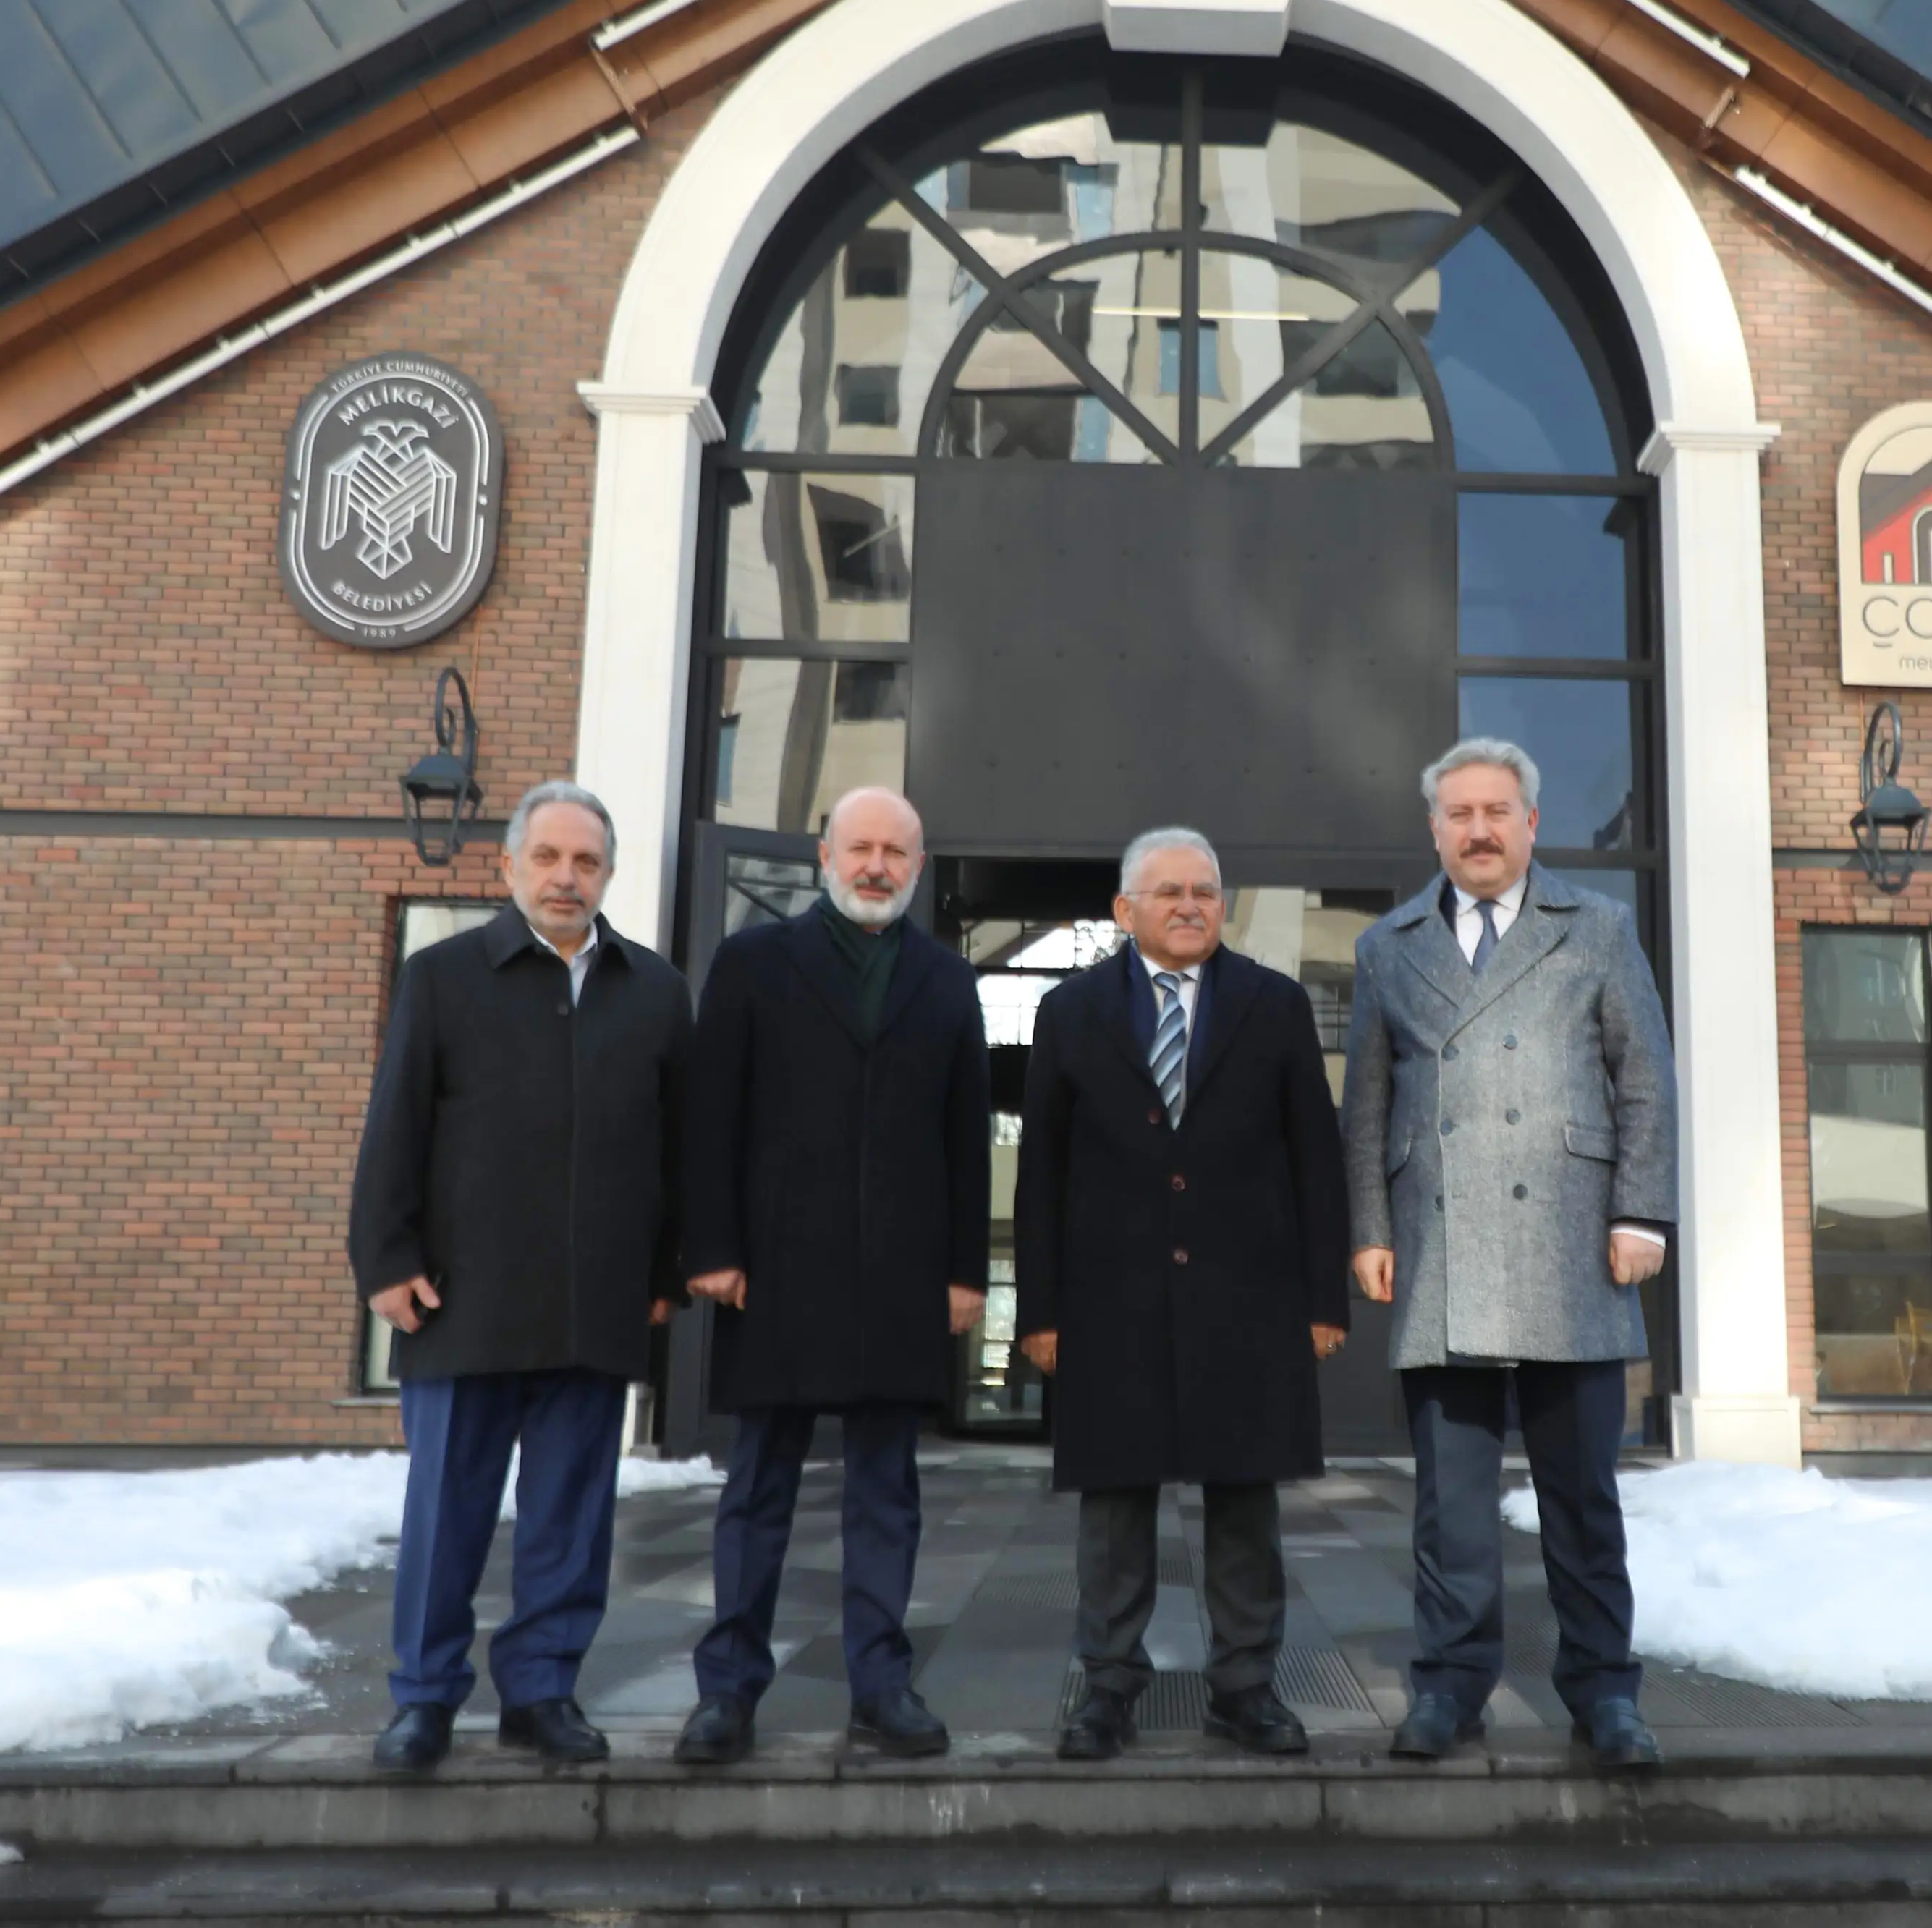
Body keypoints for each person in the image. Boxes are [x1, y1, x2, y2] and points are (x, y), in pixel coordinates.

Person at [1342, 737, 1678, 1772]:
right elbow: (1367, 1104)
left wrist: (1641, 1214)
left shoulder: (1598, 926)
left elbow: (1644, 1077)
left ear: (1532, 823)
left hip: (1573, 1247)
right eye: (1460, 813)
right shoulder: (1388, 945)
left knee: (1583, 1497)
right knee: (1450, 1505)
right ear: (1434, 829)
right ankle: (1449, 1685)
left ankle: (1605, 1689)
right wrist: (1370, 1226)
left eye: (1497, 811)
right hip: (1441, 1244)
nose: (1479, 830)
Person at [347, 779, 690, 1772]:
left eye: (585, 861)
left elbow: (678, 1149)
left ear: (609, 874)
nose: (565, 877)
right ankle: (423, 1699)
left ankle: (542, 1691)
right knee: (446, 1516)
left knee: (570, 1520)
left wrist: (665, 1269)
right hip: (464, 1299)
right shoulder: (443, 978)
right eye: (547, 857)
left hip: (596, 1302)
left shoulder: (656, 991)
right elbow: (394, 1126)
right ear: (509, 866)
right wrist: (386, 1260)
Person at [1017, 828, 1350, 1762]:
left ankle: (1246, 1687)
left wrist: (1324, 1297)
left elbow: (1316, 1160)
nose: (1190, 905)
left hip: (1249, 1297)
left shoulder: (1275, 1005)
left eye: (1204, 890)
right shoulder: (1070, 1010)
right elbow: (1040, 1171)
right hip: (1108, 1300)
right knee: (1114, 1506)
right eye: (1168, 892)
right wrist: (1039, 1309)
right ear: (1125, 910)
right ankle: (1107, 1686)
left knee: (1244, 1500)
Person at [674, 785, 991, 1763]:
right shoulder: (752, 961)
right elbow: (711, 1114)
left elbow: (966, 1136)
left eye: (896, 852)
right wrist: (712, 1246)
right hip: (775, 1267)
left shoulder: (947, 980)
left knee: (887, 1491)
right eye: (860, 847)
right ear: (824, 856)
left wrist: (966, 1270)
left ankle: (881, 1685)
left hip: (901, 1274)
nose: (876, 866)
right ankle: (727, 1691)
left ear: (918, 866)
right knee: (757, 1487)